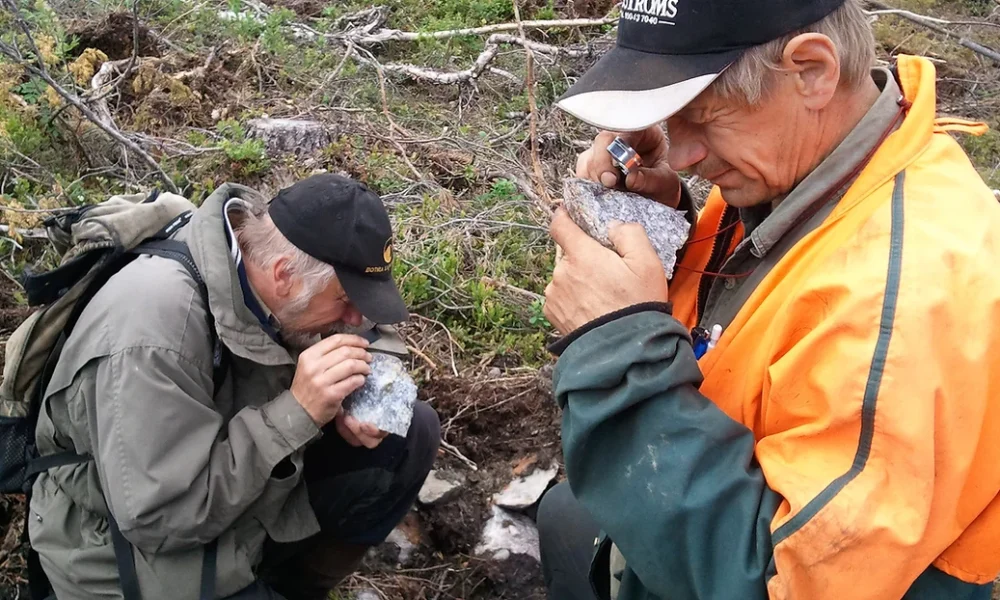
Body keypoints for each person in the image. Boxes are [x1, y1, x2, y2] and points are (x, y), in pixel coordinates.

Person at [537, 0, 1000, 599]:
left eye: (702, 116)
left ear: (811, 70)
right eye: (673, 120)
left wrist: (618, 347)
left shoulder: (909, 304)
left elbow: (780, 584)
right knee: (564, 517)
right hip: (702, 515)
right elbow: (751, 321)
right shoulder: (819, 170)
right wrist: (668, 236)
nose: (681, 155)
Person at [28, 173, 441, 599]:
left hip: (236, 484)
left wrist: (360, 393)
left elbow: (372, 327)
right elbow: (162, 518)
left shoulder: (271, 252)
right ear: (284, 276)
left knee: (411, 435)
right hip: (127, 550)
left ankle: (293, 588)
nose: (357, 319)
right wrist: (298, 413)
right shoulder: (152, 333)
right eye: (346, 301)